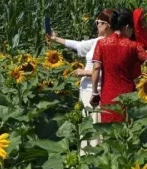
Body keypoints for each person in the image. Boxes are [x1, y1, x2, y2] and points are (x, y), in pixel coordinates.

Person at [90, 8, 147, 123]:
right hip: (127, 94)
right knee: (127, 127)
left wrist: (94, 92)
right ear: (127, 27)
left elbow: (96, 68)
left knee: (110, 131)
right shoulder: (133, 45)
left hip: (107, 94)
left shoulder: (101, 43)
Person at [47, 9, 115, 151]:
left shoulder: (111, 43)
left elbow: (109, 71)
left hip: (96, 91)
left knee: (94, 128)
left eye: (98, 22)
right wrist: (55, 38)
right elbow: (78, 45)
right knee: (86, 125)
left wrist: (84, 72)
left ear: (107, 25)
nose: (96, 25)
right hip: (85, 90)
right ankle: (85, 159)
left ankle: (94, 162)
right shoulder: (97, 41)